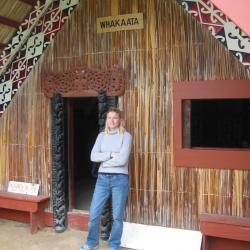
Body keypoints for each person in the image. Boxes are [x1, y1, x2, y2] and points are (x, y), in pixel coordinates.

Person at [80, 107, 132, 250]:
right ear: (106, 120)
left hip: (120, 180)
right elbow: (93, 156)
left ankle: (114, 245)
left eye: (115, 118)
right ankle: (92, 243)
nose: (112, 120)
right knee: (93, 214)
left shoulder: (126, 136)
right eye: (109, 118)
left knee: (117, 217)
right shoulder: (101, 136)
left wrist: (103, 161)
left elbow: (122, 160)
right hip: (102, 179)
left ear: (120, 120)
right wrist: (110, 154)